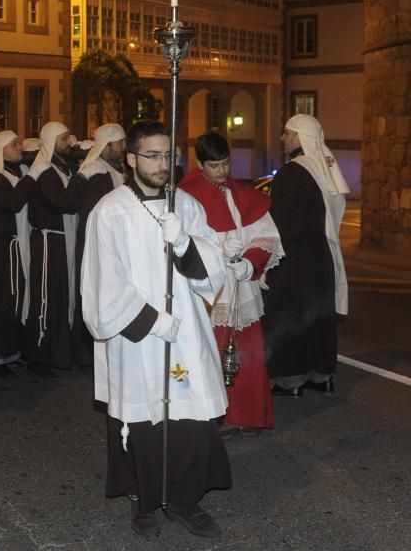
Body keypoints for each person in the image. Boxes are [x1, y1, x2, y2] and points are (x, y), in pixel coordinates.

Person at [81, 120, 230, 539]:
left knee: (188, 418)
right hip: (138, 339)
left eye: (168, 155)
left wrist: (184, 243)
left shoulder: (186, 205)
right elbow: (101, 285)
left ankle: (184, 500)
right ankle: (145, 500)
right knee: (144, 418)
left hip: (185, 334)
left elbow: (212, 272)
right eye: (152, 155)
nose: (163, 163)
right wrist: (152, 321)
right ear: (130, 158)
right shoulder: (110, 211)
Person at [179, 132, 282, 436]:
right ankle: (214, 415)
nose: (222, 171)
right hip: (205, 289)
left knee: (247, 354)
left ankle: (248, 415)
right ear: (201, 164)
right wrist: (214, 258)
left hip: (241, 285)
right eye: (214, 165)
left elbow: (266, 237)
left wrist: (248, 263)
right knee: (210, 352)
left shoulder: (242, 192)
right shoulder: (187, 195)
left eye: (225, 163)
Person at [264, 114, 349, 396]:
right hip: (321, 256)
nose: (282, 138)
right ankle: (323, 375)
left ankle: (290, 379)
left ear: (299, 137)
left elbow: (279, 221)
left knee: (288, 316)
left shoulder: (292, 172)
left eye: (287, 133)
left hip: (294, 257)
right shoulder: (323, 169)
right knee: (319, 318)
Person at [24, 122, 83, 376]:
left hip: (62, 241)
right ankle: (38, 355)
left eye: (68, 137)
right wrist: (82, 177)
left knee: (60, 297)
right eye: (63, 139)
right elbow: (64, 203)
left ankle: (57, 353)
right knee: (46, 297)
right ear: (50, 142)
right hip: (49, 242)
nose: (68, 143)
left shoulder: (63, 168)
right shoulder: (47, 172)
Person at [0, 130, 36, 378]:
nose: (19, 147)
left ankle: (11, 349)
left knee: (16, 298)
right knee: (3, 299)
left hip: (17, 245)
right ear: (1, 151)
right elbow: (12, 203)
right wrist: (32, 178)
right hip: (3, 247)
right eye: (14, 145)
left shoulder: (18, 172)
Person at [74, 123, 127, 366]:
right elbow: (94, 216)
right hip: (99, 248)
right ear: (107, 147)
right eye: (119, 144)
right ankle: (89, 356)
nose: (123, 148)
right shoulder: (97, 172)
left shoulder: (107, 169)